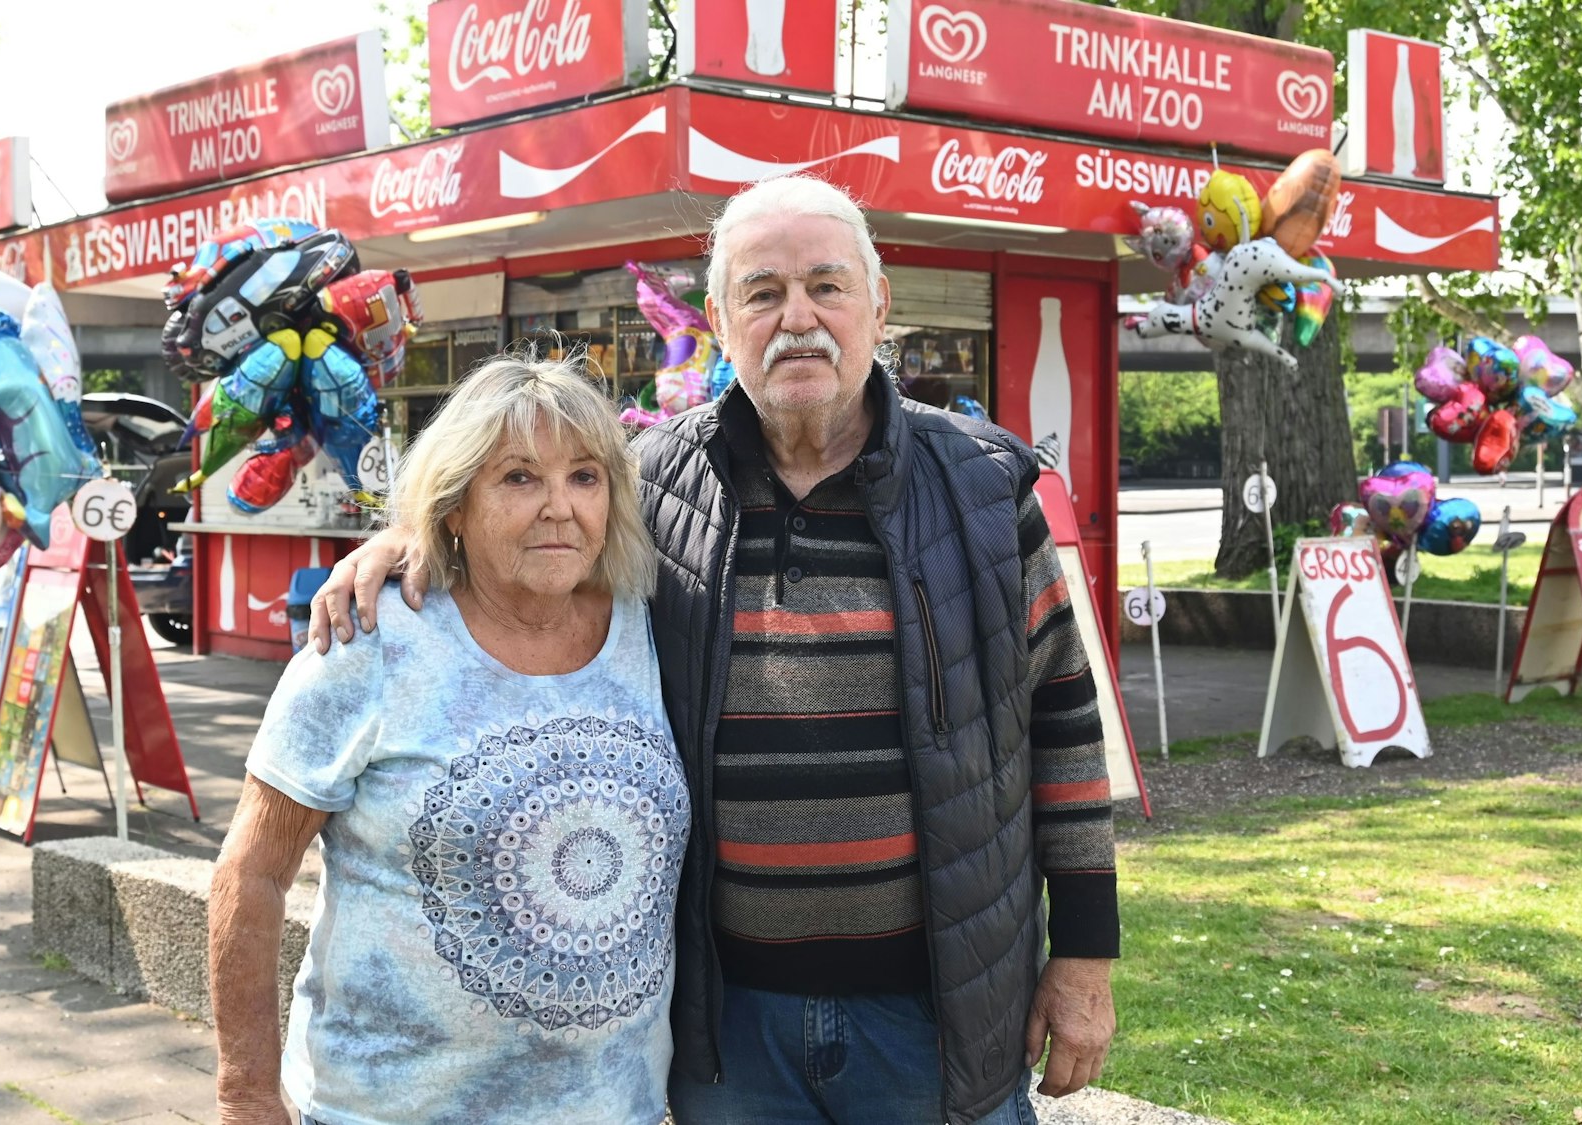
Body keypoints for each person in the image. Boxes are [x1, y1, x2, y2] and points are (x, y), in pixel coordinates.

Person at [307, 174, 1119, 1125]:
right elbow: (531, 537)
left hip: (934, 1018)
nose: (798, 317)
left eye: (827, 285)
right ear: (720, 320)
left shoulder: (985, 491)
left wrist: (1085, 960)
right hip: (725, 1029)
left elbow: (1064, 725)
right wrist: (424, 539)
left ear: (879, 304)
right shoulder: (648, 488)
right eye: (763, 293)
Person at [208, 355, 686, 1125]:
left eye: (585, 476)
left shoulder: (651, 622)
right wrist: (247, 1094)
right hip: (388, 1108)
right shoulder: (371, 639)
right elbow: (251, 873)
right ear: (456, 504)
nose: (559, 507)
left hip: (613, 1108)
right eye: (519, 478)